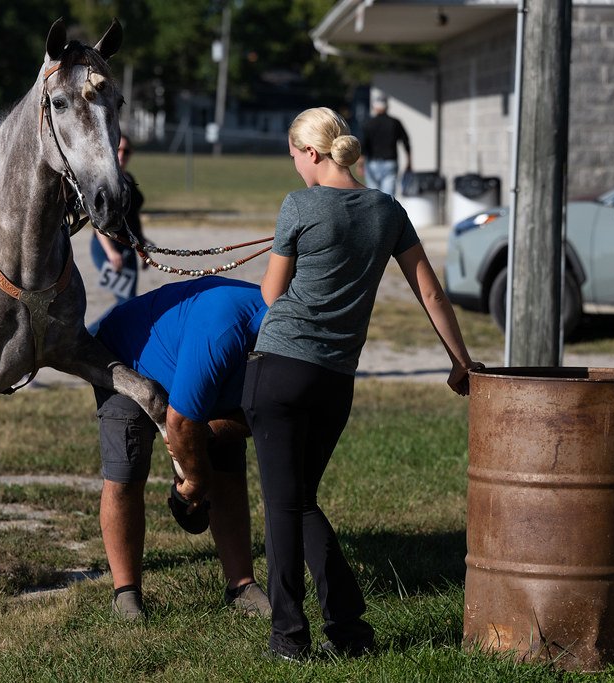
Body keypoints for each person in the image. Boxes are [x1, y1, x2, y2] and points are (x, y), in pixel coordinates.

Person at [243, 107, 479, 660]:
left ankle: (290, 641)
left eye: (296, 156)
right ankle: (349, 630)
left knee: (284, 507)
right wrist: (461, 361)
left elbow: (271, 295)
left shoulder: (299, 205)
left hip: (279, 370)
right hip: (336, 380)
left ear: (315, 153)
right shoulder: (387, 210)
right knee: (300, 500)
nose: (296, 167)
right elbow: (432, 293)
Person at [92, 275, 271, 620]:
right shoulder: (222, 335)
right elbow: (180, 423)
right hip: (128, 354)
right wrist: (194, 484)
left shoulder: (290, 341)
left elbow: (273, 413)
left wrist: (206, 446)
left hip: (191, 362)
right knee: (127, 467)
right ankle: (126, 594)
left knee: (226, 459)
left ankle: (241, 585)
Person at [88, 134, 146, 333]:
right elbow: (98, 224)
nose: (122, 155)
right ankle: (90, 335)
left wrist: (142, 246)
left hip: (129, 248)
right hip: (106, 248)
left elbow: (134, 219)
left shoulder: (129, 179)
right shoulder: (105, 180)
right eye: (117, 149)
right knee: (126, 301)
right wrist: (111, 253)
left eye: (126, 151)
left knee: (129, 300)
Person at [358, 97, 411, 198]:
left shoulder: (369, 123)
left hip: (372, 163)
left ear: (374, 107)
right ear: (387, 107)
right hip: (390, 162)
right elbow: (406, 142)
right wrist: (409, 161)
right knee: (388, 197)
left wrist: (360, 164)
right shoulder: (395, 122)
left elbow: (364, 145)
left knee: (373, 196)